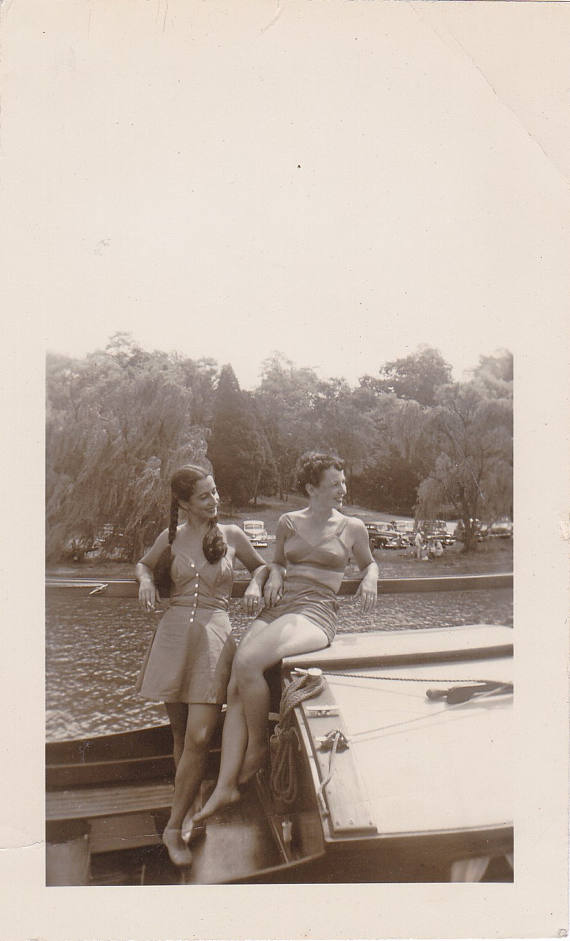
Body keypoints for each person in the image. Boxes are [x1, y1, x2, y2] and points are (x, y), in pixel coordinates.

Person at [192, 451, 379, 827]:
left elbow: (368, 562)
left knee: (247, 664)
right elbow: (274, 562)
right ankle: (225, 785)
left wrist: (371, 576)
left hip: (315, 612)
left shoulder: (352, 527)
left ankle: (258, 747)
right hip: (281, 605)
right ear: (311, 488)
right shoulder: (288, 522)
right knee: (234, 685)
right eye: (334, 484)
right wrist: (273, 576)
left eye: (343, 482)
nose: (343, 489)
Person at [135, 464, 268, 867]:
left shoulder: (231, 536)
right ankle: (189, 805)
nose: (215, 500)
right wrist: (144, 580)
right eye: (205, 496)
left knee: (199, 736)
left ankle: (173, 827)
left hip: (213, 637)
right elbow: (143, 564)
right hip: (174, 637)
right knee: (180, 734)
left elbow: (261, 565)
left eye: (215, 492)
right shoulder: (170, 538)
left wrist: (258, 584)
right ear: (183, 502)